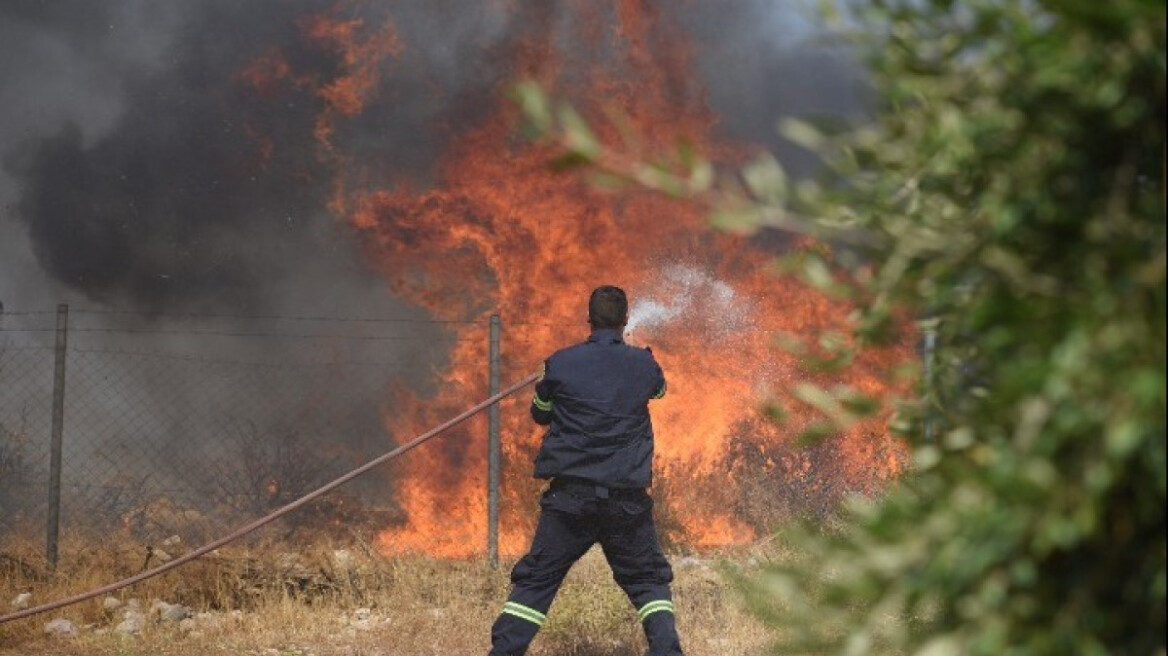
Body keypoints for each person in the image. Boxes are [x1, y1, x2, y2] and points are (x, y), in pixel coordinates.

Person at [487, 285, 683, 656]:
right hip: (625, 502)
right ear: (626, 320)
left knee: (537, 582)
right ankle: (666, 651)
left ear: (588, 319)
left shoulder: (559, 363)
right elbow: (658, 391)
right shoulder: (643, 364)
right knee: (648, 581)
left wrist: (546, 382)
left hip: (570, 500)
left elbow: (540, 413)